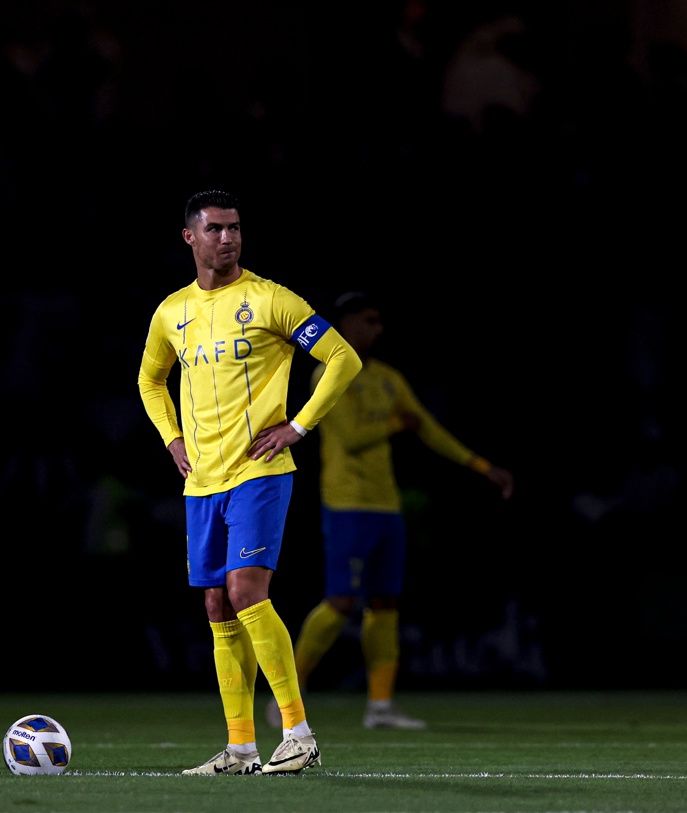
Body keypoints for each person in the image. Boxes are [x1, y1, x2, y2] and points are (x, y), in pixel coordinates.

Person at [137, 190, 362, 775]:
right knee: (216, 604)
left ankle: (298, 733)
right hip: (202, 479)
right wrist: (172, 439)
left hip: (260, 470)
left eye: (235, 228)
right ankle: (240, 748)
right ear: (190, 237)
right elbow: (149, 382)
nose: (228, 238)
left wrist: (300, 425)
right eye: (215, 229)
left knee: (245, 592)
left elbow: (342, 359)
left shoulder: (271, 300)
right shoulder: (171, 313)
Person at [266, 290, 514, 730]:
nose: (377, 329)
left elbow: (430, 430)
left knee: (384, 604)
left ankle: (380, 707)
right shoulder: (328, 372)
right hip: (346, 505)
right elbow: (352, 436)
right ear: (346, 324)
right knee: (341, 601)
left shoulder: (388, 378)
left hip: (385, 506)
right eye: (369, 320)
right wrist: (398, 423)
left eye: (380, 321)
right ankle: (286, 692)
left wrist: (482, 466)